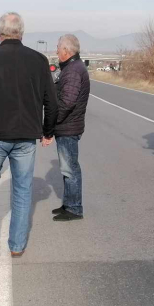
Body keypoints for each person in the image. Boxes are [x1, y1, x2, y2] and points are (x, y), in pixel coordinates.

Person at [0, 12, 57, 260]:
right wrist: (48, 131)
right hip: (26, 136)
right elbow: (51, 100)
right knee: (23, 188)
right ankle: (17, 245)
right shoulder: (38, 60)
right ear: (22, 33)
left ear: (0, 34)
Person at [51, 34, 89, 221]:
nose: (56, 50)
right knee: (67, 168)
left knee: (70, 169)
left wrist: (51, 123)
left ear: (66, 50)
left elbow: (67, 102)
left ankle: (74, 208)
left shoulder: (73, 70)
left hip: (68, 126)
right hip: (67, 126)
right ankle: (69, 204)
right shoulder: (71, 67)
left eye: (58, 47)